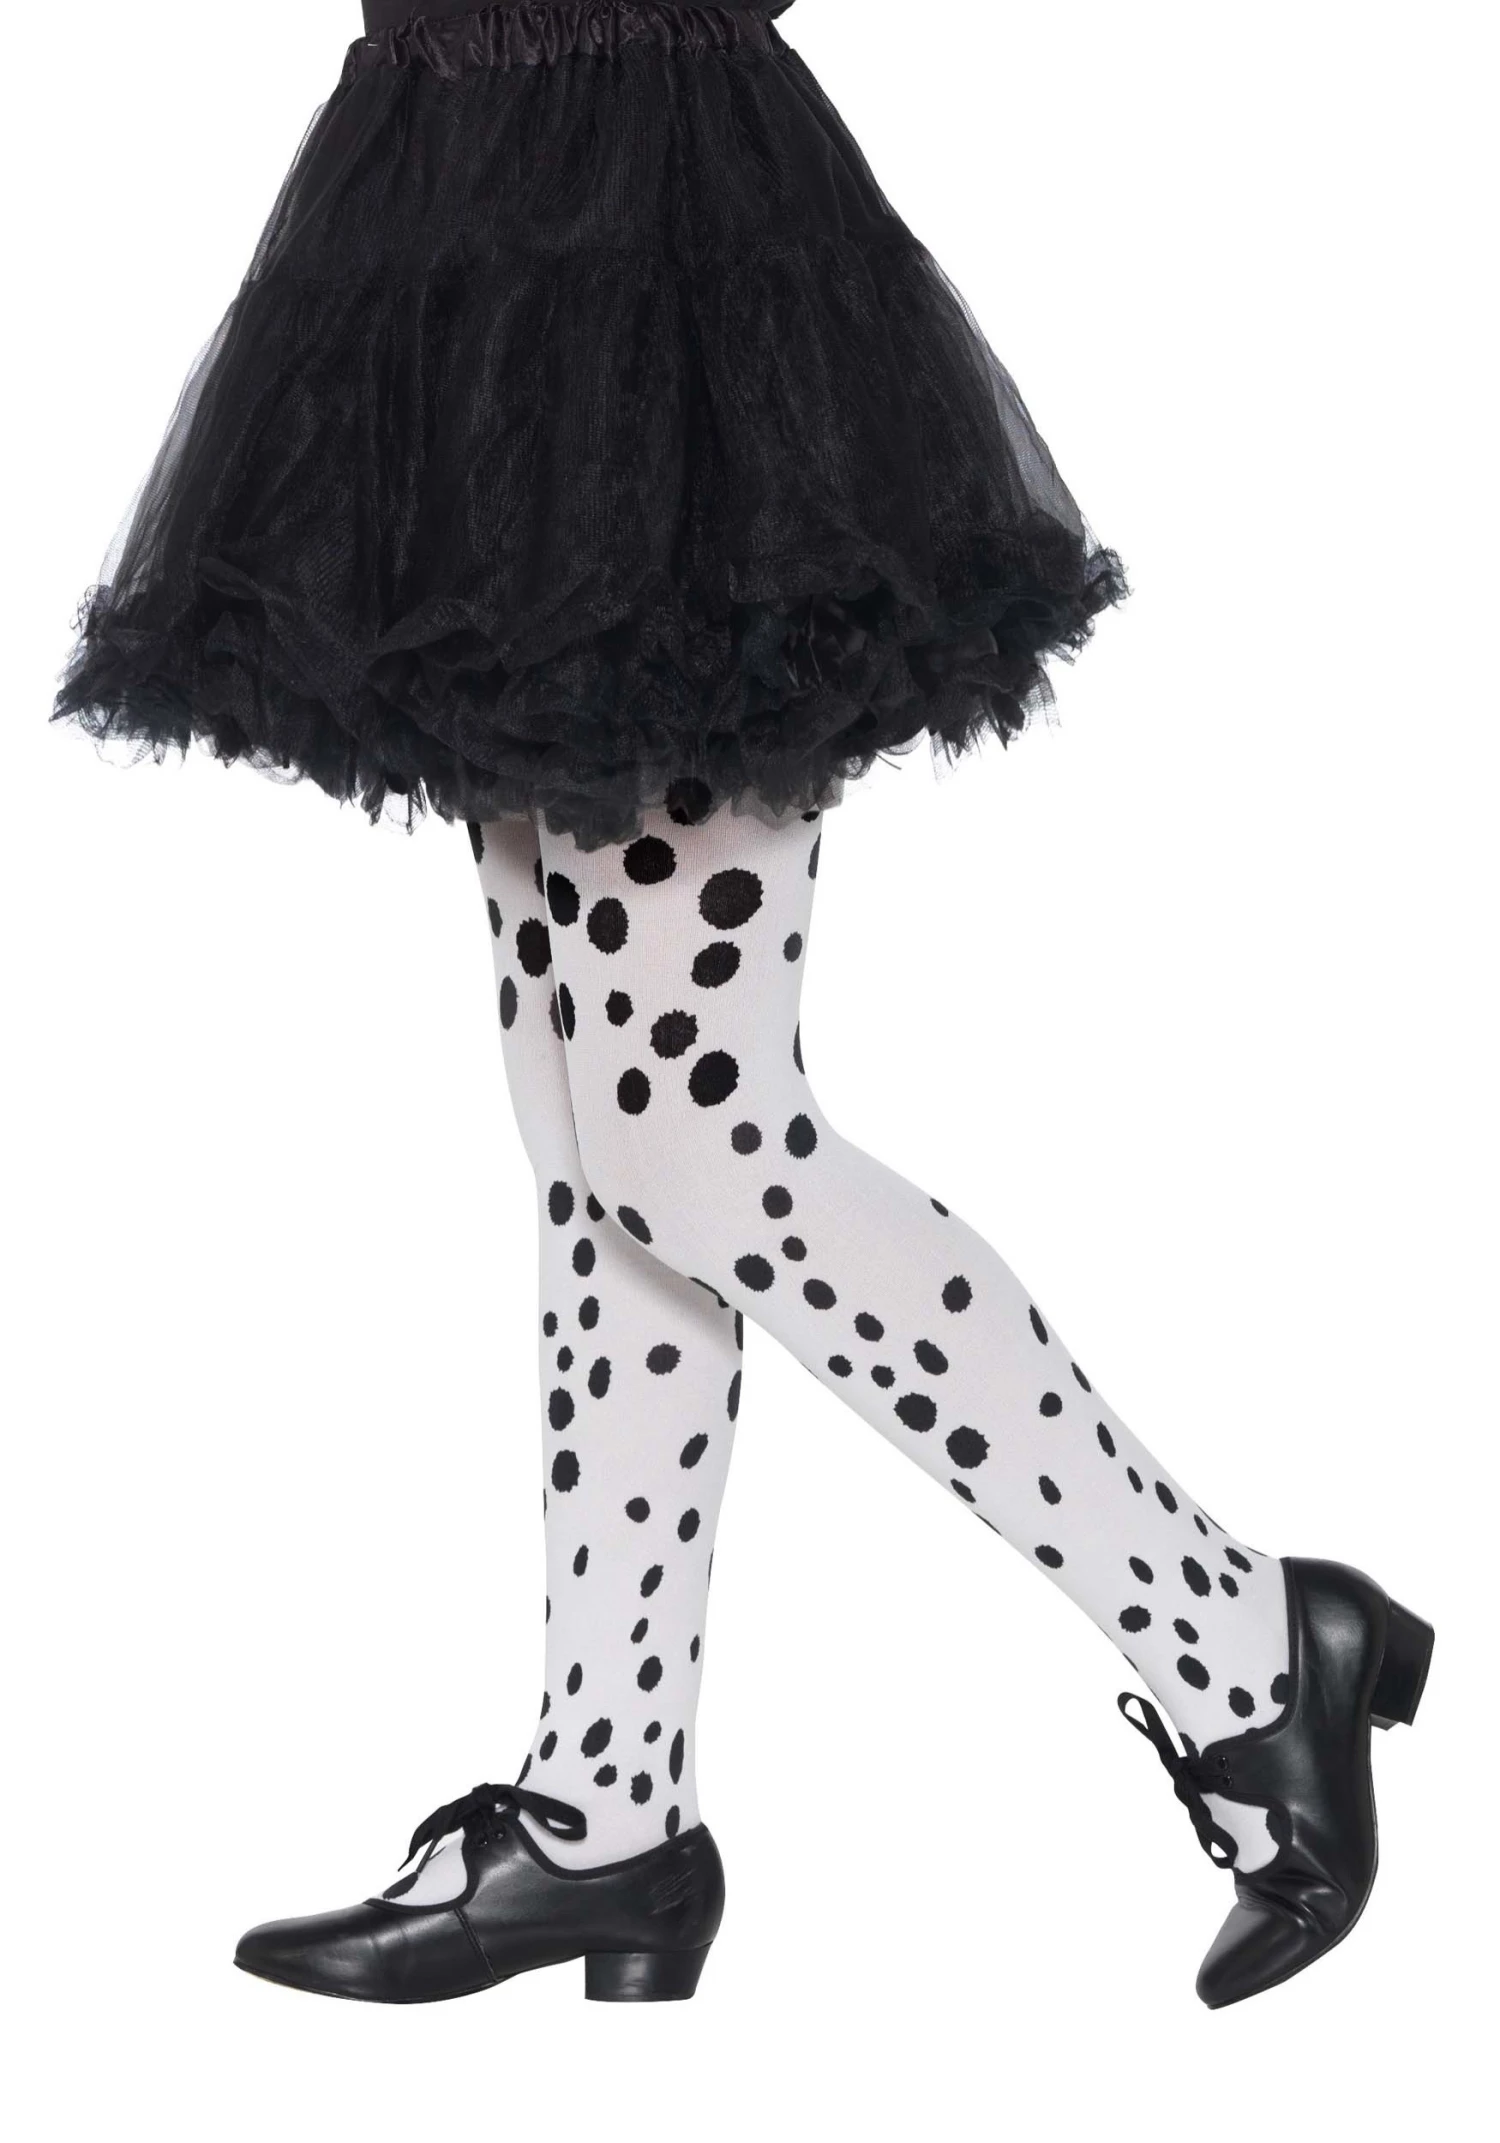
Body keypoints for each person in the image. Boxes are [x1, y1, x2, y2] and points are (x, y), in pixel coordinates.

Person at [54, 0, 1431, 2012]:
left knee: (695, 1141)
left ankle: (1242, 1637)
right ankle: (607, 1806)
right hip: (450, 213)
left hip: (666, 260)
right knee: (592, 1134)